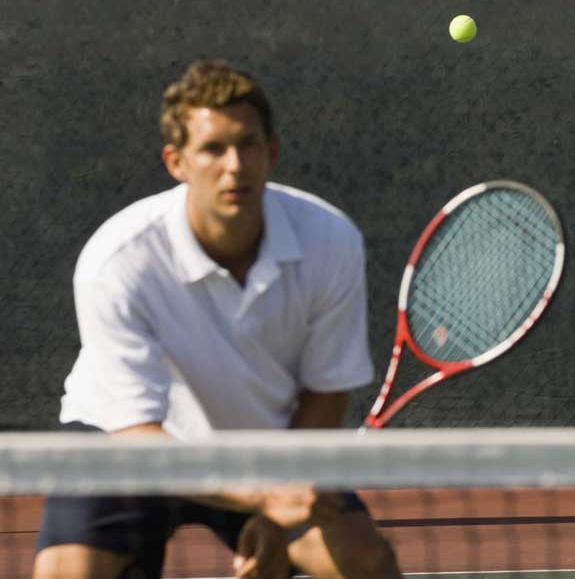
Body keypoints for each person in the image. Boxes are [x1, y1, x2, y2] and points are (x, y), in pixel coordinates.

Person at [33, 59, 402, 579]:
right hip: (129, 444)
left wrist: (274, 517)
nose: (234, 165)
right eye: (212, 149)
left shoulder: (330, 240)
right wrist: (260, 496)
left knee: (366, 561)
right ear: (176, 162)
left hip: (265, 445)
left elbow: (325, 392)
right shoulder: (118, 259)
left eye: (247, 144)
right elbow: (137, 435)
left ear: (271, 151)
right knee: (68, 574)